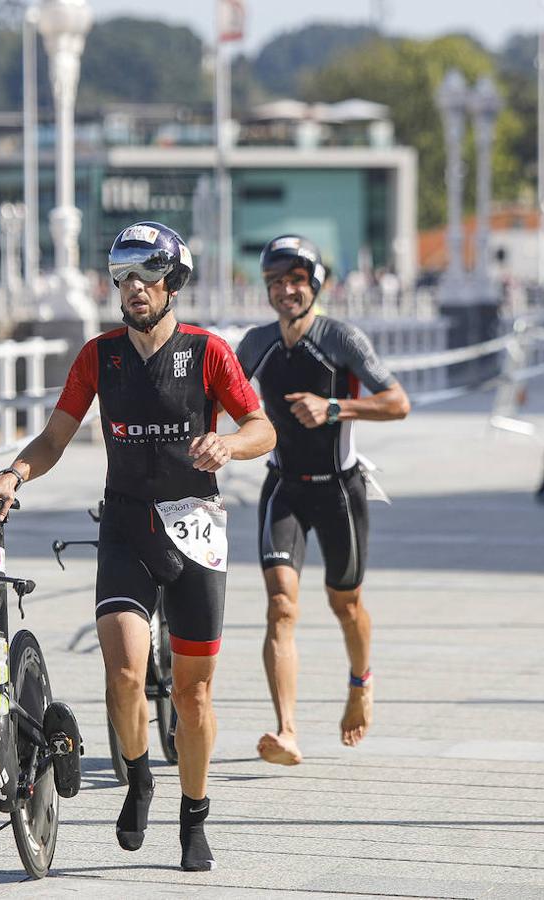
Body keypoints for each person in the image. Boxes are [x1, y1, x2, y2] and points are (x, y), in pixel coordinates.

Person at [0, 221, 275, 872]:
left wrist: (230, 445)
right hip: (127, 525)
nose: (133, 288)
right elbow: (53, 439)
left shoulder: (209, 352)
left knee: (193, 697)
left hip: (195, 525)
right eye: (122, 277)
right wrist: (12, 473)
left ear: (174, 283)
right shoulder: (99, 357)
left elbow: (261, 427)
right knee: (125, 671)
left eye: (146, 276)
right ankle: (138, 778)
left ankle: (194, 815)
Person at [234, 235, 410, 766]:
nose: (286, 290)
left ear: (315, 284)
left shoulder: (341, 338)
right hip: (283, 487)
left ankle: (361, 683)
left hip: (339, 489)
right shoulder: (258, 342)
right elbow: (220, 397)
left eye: (296, 280)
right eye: (275, 282)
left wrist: (334, 408)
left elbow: (397, 402)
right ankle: (287, 730)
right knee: (281, 606)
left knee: (345, 602)